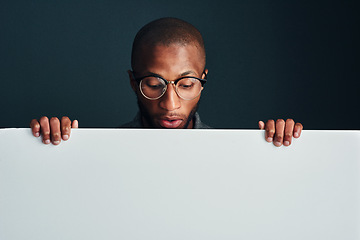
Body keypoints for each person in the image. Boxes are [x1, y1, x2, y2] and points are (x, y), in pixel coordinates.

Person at [30, 17, 303, 147]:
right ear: (132, 81)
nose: (170, 104)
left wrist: (280, 149)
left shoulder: (234, 153)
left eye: (186, 85)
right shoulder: (100, 151)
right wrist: (46, 147)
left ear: (203, 80)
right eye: (153, 84)